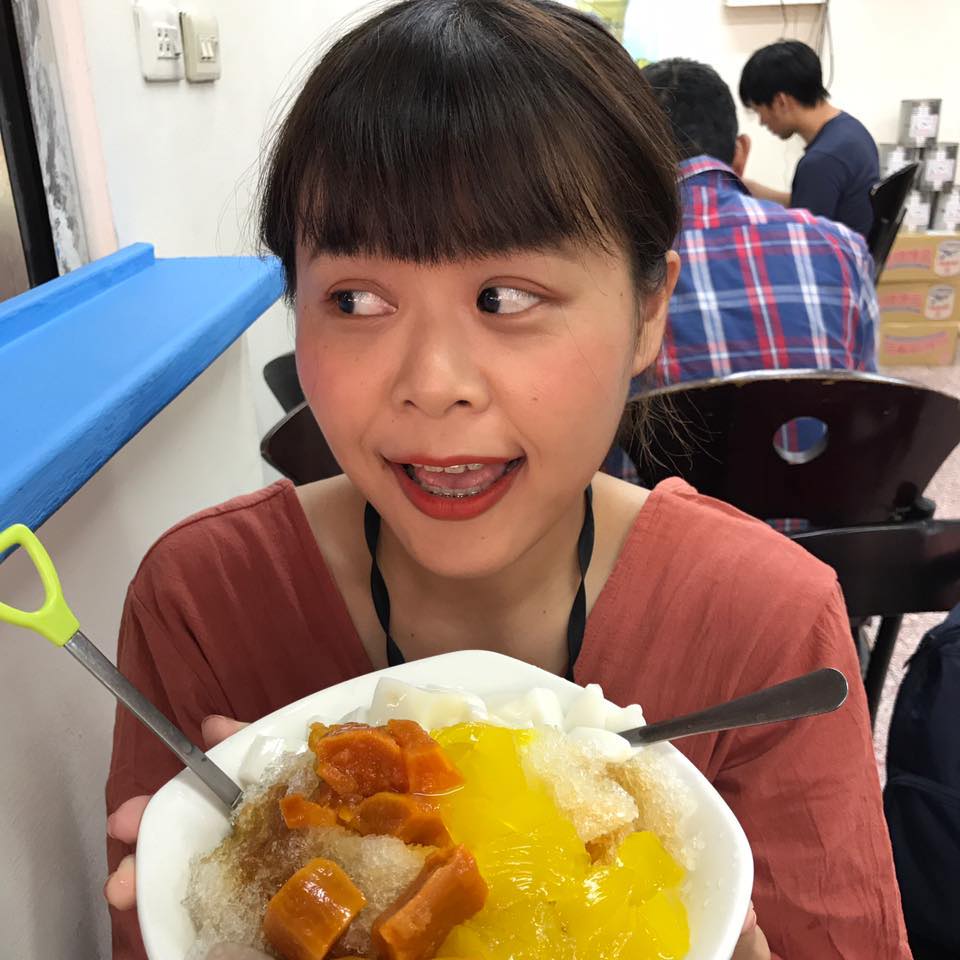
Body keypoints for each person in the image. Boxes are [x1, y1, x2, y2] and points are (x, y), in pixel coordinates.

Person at [102, 3, 910, 960]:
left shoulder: (764, 622)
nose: (433, 383)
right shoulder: (204, 604)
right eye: (355, 299)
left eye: (507, 296)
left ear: (650, 308)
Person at [641, 57, 878, 386]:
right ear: (741, 152)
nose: (765, 121)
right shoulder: (843, 247)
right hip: (813, 421)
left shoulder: (618, 261)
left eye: (761, 110)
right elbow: (867, 393)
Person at [738, 40, 879, 238]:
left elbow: (802, 242)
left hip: (834, 255)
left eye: (758, 110)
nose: (762, 122)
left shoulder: (821, 161)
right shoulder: (851, 131)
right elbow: (812, 203)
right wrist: (751, 188)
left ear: (781, 102)